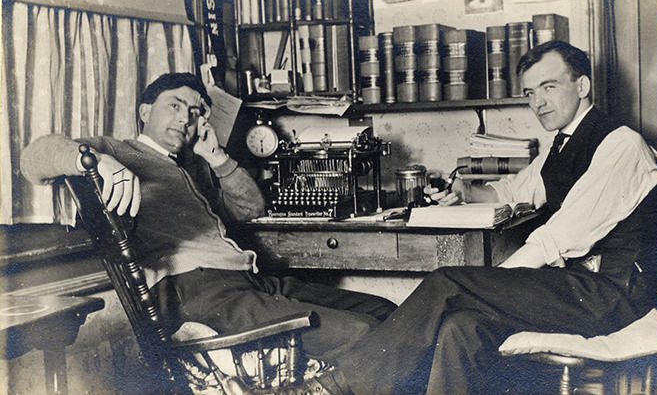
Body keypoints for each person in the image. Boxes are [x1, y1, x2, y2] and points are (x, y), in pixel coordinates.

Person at [278, 40, 657, 395]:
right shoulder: (563, 144)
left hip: (609, 296)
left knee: (448, 283)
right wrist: (461, 195)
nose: (538, 103)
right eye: (530, 93)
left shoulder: (622, 144)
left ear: (582, 86)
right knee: (459, 327)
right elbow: (513, 191)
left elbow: (558, 238)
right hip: (572, 286)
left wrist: (493, 282)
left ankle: (336, 388)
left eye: (549, 87)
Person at [20, 73, 397, 366]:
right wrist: (96, 160)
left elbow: (252, 209)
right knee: (363, 334)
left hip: (247, 283)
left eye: (196, 110)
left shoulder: (191, 169)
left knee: (385, 312)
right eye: (175, 105)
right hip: (195, 291)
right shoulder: (120, 150)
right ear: (145, 112)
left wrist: (216, 156)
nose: (186, 117)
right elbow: (34, 158)